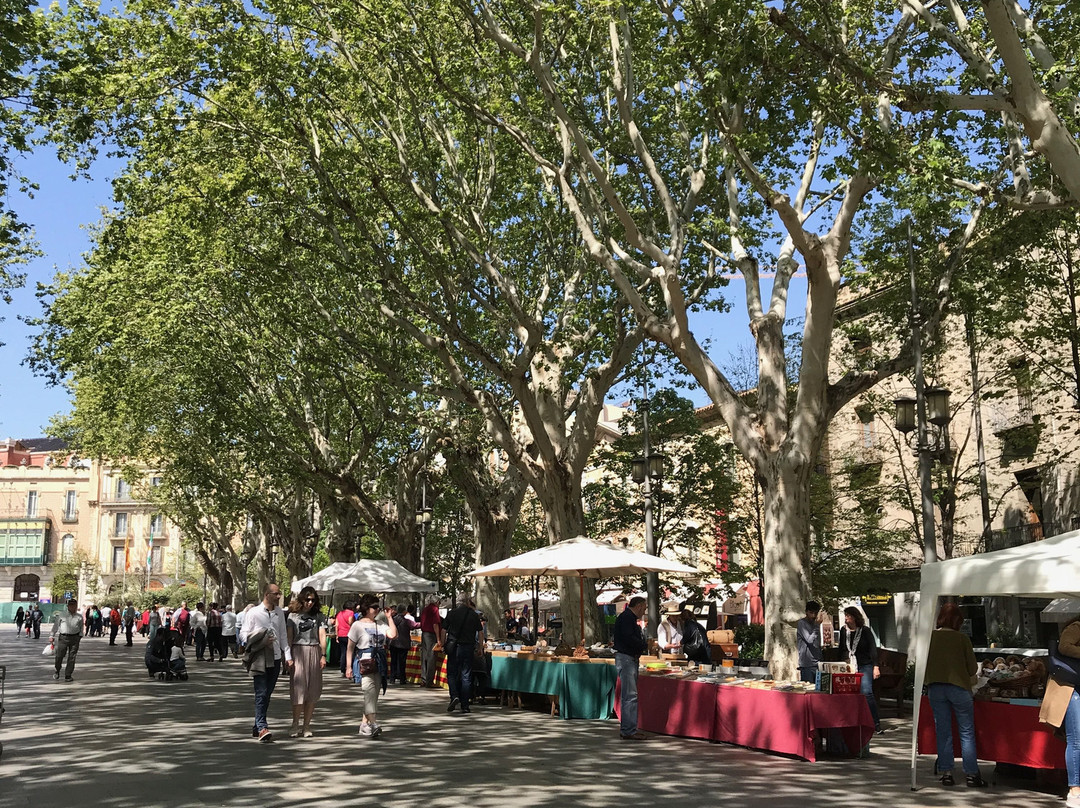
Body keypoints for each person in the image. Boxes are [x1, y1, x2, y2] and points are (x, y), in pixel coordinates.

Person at [925, 602, 986, 788]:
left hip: (935, 687)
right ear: (958, 620)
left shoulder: (930, 638)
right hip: (959, 688)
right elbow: (972, 668)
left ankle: (947, 773)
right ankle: (971, 774)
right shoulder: (961, 639)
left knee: (943, 731)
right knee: (966, 732)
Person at [240, 584, 292, 742]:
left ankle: (257, 726)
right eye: (276, 594)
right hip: (260, 658)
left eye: (279, 594)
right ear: (267, 594)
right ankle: (262, 727)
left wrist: (287, 656)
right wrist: (258, 639)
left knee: (267, 694)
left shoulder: (279, 613)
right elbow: (243, 634)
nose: (279, 597)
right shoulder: (254, 612)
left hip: (275, 658)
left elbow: (283, 635)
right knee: (261, 692)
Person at [1040, 616, 1080, 808]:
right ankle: (1074, 790)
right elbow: (1064, 647)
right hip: (1070, 688)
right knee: (1076, 740)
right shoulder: (1076, 627)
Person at [347, 594, 397, 737]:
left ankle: (364, 724)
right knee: (369, 692)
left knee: (373, 696)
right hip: (365, 662)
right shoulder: (357, 625)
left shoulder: (380, 623)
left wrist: (389, 617)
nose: (377, 610)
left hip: (379, 662)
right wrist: (348, 667)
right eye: (374, 607)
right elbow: (350, 647)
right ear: (366, 608)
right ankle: (374, 723)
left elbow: (393, 635)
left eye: (378, 607)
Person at [287, 586, 327, 738]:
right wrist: (288, 656)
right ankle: (295, 723)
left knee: (313, 690)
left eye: (312, 600)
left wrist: (323, 655)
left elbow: (322, 635)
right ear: (301, 599)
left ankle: (307, 725)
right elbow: (290, 637)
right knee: (298, 690)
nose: (310, 603)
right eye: (307, 599)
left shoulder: (319, 616)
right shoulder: (293, 616)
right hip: (298, 651)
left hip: (314, 650)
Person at [838, 606, 881, 733]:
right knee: (849, 694)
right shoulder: (843, 631)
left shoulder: (865, 631)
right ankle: (854, 722)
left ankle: (875, 722)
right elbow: (841, 648)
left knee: (866, 692)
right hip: (848, 665)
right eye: (845, 616)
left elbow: (872, 648)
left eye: (849, 616)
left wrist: (876, 666)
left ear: (855, 617)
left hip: (864, 664)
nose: (846, 619)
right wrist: (840, 663)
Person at [614, 596, 648, 740]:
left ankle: (629, 728)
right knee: (630, 695)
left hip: (627, 658)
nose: (644, 611)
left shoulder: (627, 617)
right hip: (627, 658)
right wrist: (643, 645)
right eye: (644, 608)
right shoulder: (628, 618)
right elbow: (629, 638)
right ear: (639, 606)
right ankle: (628, 730)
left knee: (629, 695)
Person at [443, 594, 482, 713]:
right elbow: (480, 632)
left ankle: (454, 695)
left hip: (454, 647)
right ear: (468, 602)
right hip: (468, 647)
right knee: (466, 675)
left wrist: (443, 643)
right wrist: (480, 647)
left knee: (452, 673)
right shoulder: (473, 615)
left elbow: (443, 630)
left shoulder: (451, 613)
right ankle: (465, 705)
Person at [51, 597, 85, 682]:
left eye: (74, 606)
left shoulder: (79, 617)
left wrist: (80, 636)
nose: (72, 607)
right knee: (59, 656)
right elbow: (55, 626)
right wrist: (52, 635)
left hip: (75, 638)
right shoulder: (62, 615)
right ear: (68, 606)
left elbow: (81, 627)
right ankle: (57, 670)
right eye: (71, 605)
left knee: (72, 657)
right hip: (63, 637)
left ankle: (68, 674)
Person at [419, 594, 443, 688]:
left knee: (424, 656)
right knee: (431, 657)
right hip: (431, 635)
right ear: (437, 602)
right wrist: (438, 639)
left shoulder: (425, 609)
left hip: (424, 634)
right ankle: (429, 681)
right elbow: (435, 624)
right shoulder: (434, 609)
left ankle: (424, 679)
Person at [797, 601, 823, 684]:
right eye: (811, 613)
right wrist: (817, 626)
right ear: (806, 612)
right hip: (807, 664)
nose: (813, 616)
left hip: (817, 663)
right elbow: (809, 640)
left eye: (815, 613)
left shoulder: (815, 624)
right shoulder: (802, 623)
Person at [388, 604, 411, 685]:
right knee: (402, 662)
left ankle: (392, 678)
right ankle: (402, 679)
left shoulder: (393, 620)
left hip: (393, 643)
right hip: (403, 644)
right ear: (404, 611)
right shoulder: (406, 621)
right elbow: (414, 625)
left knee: (393, 661)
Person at [335, 600, 355, 679]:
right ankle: (350, 668)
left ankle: (343, 669)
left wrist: (337, 635)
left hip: (340, 634)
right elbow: (351, 622)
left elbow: (336, 625)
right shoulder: (350, 613)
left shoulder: (339, 613)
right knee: (350, 652)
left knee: (343, 652)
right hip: (349, 634)